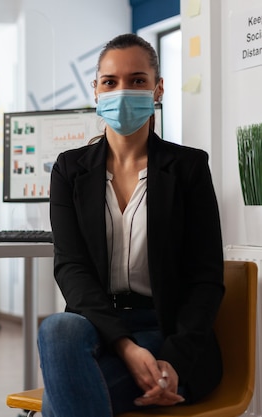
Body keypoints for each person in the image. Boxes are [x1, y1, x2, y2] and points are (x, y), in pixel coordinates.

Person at [37, 33, 224, 417]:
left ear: (158, 89)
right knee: (58, 329)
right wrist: (125, 345)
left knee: (60, 399)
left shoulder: (188, 168)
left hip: (166, 329)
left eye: (137, 80)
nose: (123, 91)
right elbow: (70, 268)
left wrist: (171, 361)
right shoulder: (70, 170)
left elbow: (206, 278)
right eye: (110, 81)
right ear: (95, 90)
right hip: (95, 327)